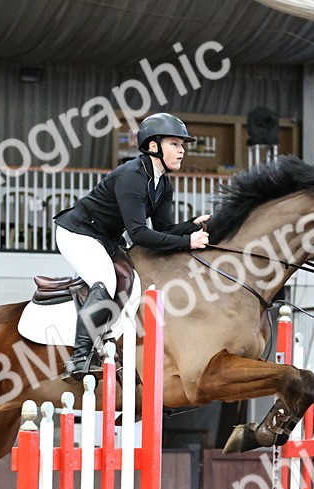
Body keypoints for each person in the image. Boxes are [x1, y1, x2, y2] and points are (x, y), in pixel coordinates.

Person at [53, 112, 210, 380]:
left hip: (106, 238)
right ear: (153, 146)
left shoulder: (162, 182)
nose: (182, 151)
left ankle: (112, 346)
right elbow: (139, 235)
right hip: (77, 233)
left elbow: (162, 230)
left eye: (182, 145)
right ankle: (79, 358)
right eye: (175, 144)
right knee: (105, 281)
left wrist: (192, 226)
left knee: (133, 281)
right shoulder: (132, 176)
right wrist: (188, 242)